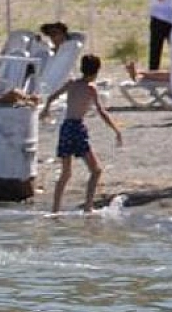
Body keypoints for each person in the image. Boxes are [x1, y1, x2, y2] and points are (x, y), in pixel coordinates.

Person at [40, 54, 124, 213]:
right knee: (96, 170)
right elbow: (101, 112)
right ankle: (88, 207)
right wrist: (116, 129)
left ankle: (55, 209)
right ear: (96, 71)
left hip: (66, 128)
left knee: (66, 173)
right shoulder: (91, 88)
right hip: (77, 128)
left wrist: (45, 110)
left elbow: (51, 97)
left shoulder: (72, 84)